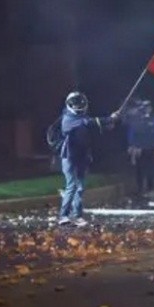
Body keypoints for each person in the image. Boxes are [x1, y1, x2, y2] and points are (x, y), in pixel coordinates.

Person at [58, 91, 119, 227]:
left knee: (79, 187)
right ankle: (63, 215)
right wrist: (109, 118)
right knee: (72, 185)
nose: (79, 106)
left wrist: (108, 124)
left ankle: (77, 216)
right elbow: (88, 123)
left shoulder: (82, 118)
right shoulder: (68, 118)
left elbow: (92, 128)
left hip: (81, 157)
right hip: (69, 157)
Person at [126, 100, 154, 196]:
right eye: (145, 107)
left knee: (151, 168)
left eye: (148, 107)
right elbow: (132, 132)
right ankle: (140, 188)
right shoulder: (136, 119)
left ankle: (150, 187)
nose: (147, 109)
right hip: (139, 148)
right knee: (139, 169)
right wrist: (131, 145)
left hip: (151, 147)